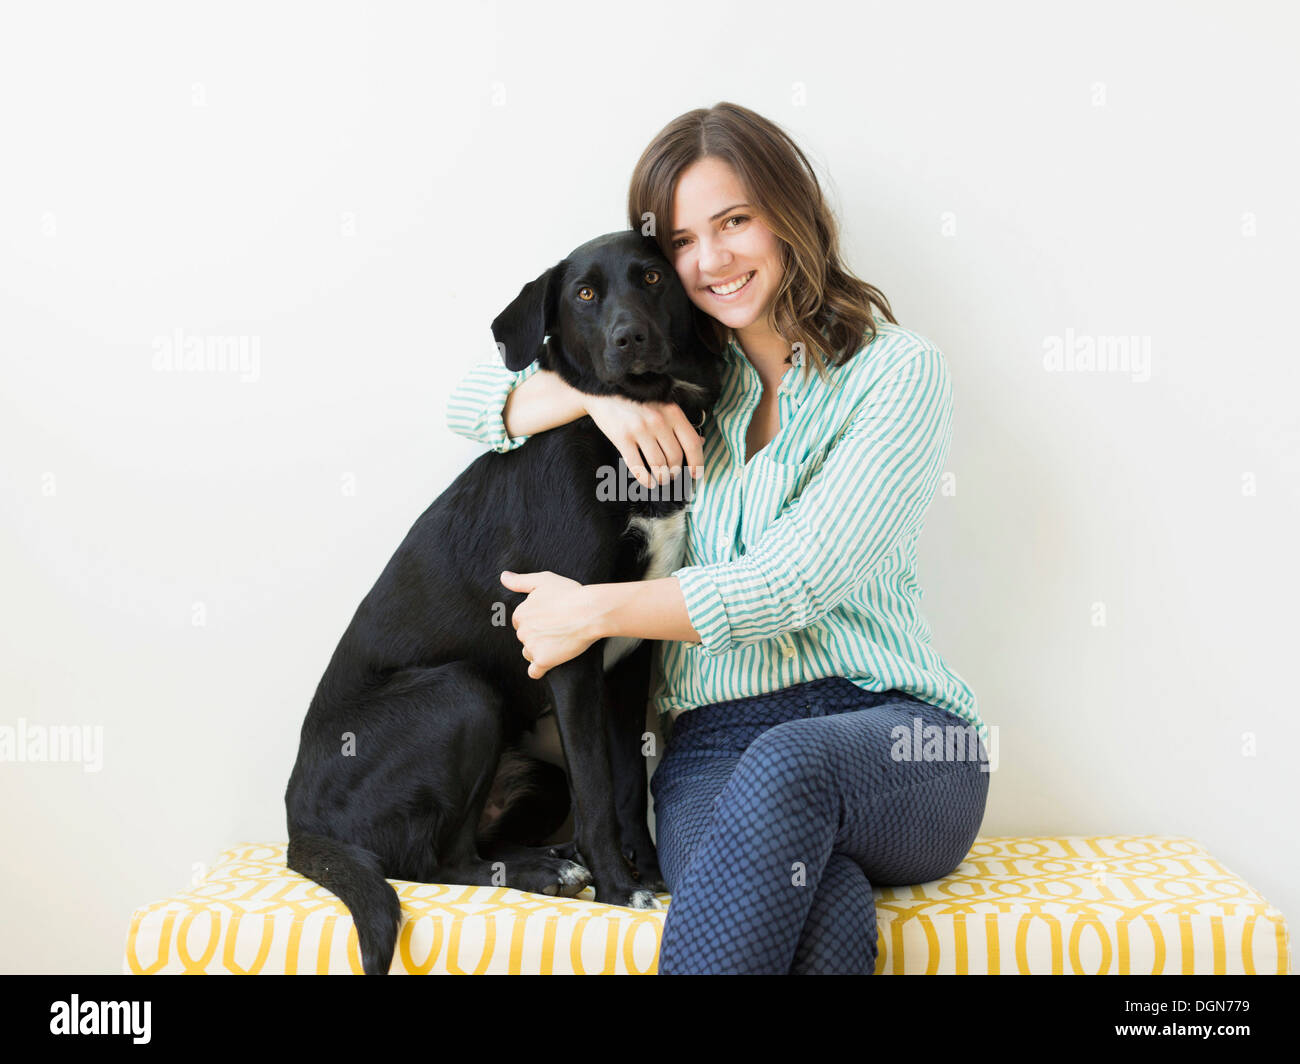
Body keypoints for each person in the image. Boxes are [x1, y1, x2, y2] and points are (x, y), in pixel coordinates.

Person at [444, 101, 990, 975]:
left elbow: (792, 583)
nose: (713, 259)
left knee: (788, 769)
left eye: (735, 221)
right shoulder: (693, 383)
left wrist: (590, 612)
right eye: (686, 241)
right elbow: (470, 398)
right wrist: (595, 395)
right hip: (711, 755)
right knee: (823, 908)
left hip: (896, 739)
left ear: (791, 213)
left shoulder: (897, 373)